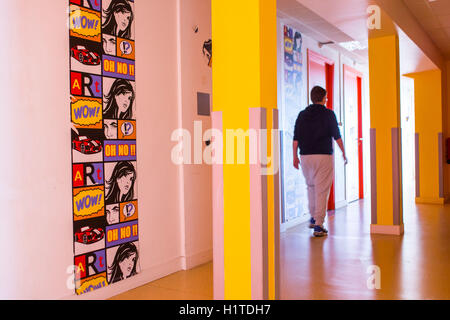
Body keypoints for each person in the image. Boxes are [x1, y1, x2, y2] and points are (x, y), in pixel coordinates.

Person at [293, 86, 347, 237]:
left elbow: (295, 137)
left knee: (311, 187)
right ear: (324, 98)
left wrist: (294, 156)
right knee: (321, 189)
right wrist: (343, 152)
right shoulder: (329, 114)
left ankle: (313, 217)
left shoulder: (302, 115)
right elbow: (337, 136)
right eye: (326, 97)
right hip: (323, 156)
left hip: (305, 157)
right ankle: (318, 225)